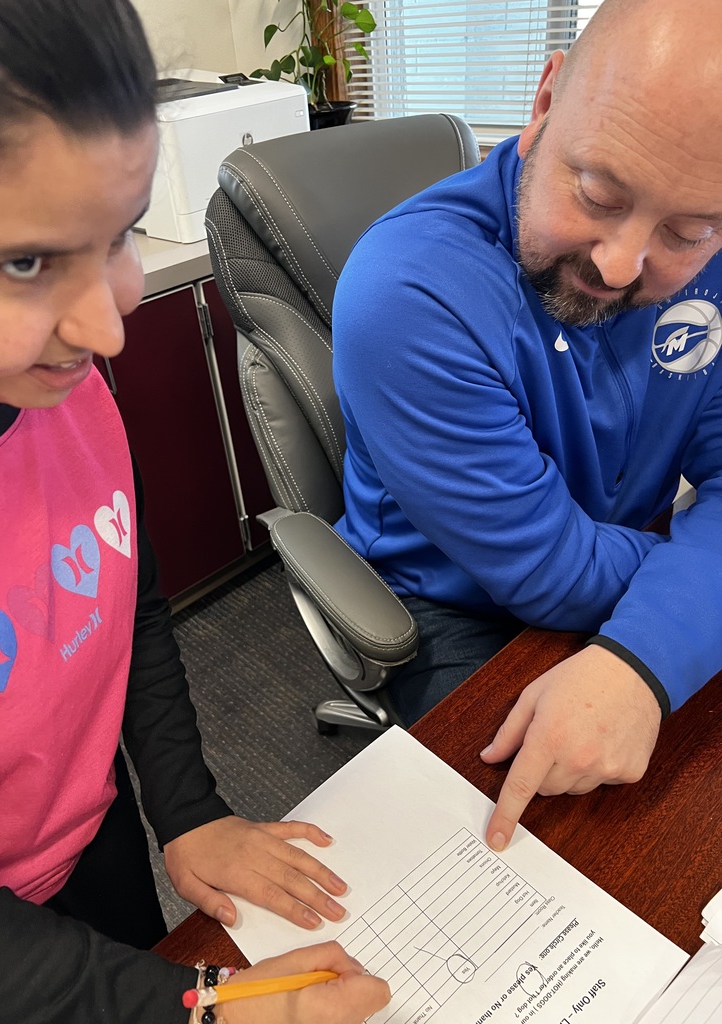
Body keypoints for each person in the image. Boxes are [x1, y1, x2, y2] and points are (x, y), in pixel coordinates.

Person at [0, 1, 391, 1022]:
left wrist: (185, 812)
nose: (107, 326)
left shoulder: (60, 388)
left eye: (118, 234)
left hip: (85, 836)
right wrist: (213, 1008)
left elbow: (128, 608)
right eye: (26, 262)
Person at [332, 0, 722, 853]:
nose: (621, 265)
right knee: (562, 857)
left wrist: (676, 612)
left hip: (617, 547)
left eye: (687, 232)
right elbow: (550, 569)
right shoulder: (406, 296)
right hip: (453, 604)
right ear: (543, 102)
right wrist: (693, 587)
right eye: (597, 193)